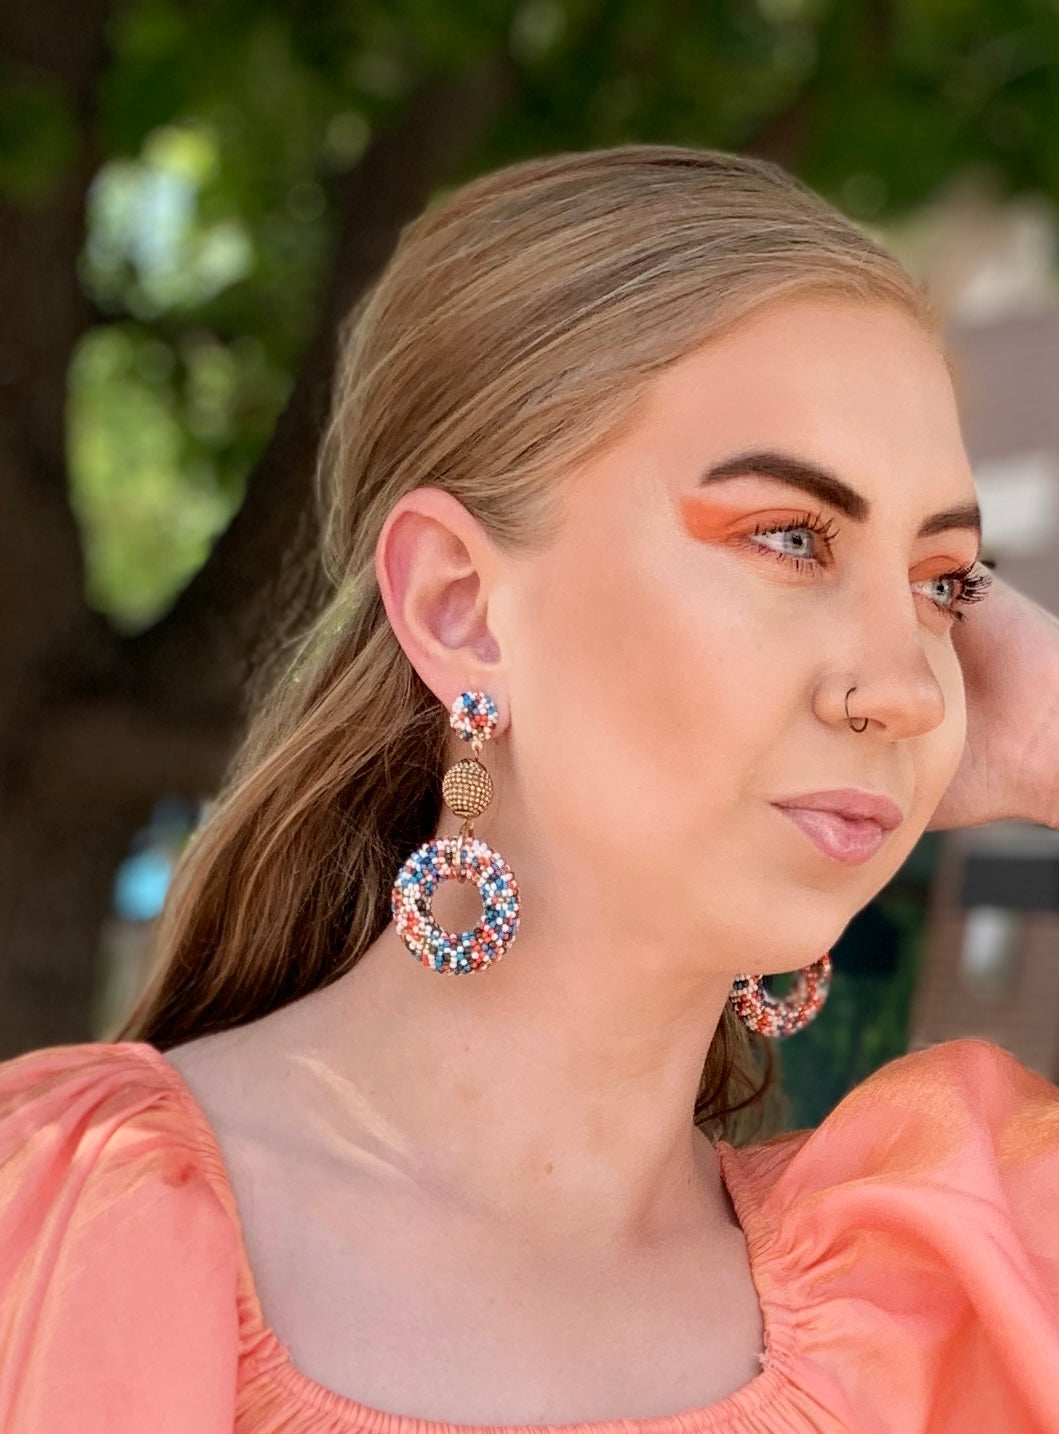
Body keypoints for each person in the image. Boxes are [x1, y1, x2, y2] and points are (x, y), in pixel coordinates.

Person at [1, 143, 1058, 1434]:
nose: (904, 684)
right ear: (461, 605)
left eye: (944, 582)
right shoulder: (50, 1218)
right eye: (791, 538)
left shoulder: (970, 1279)